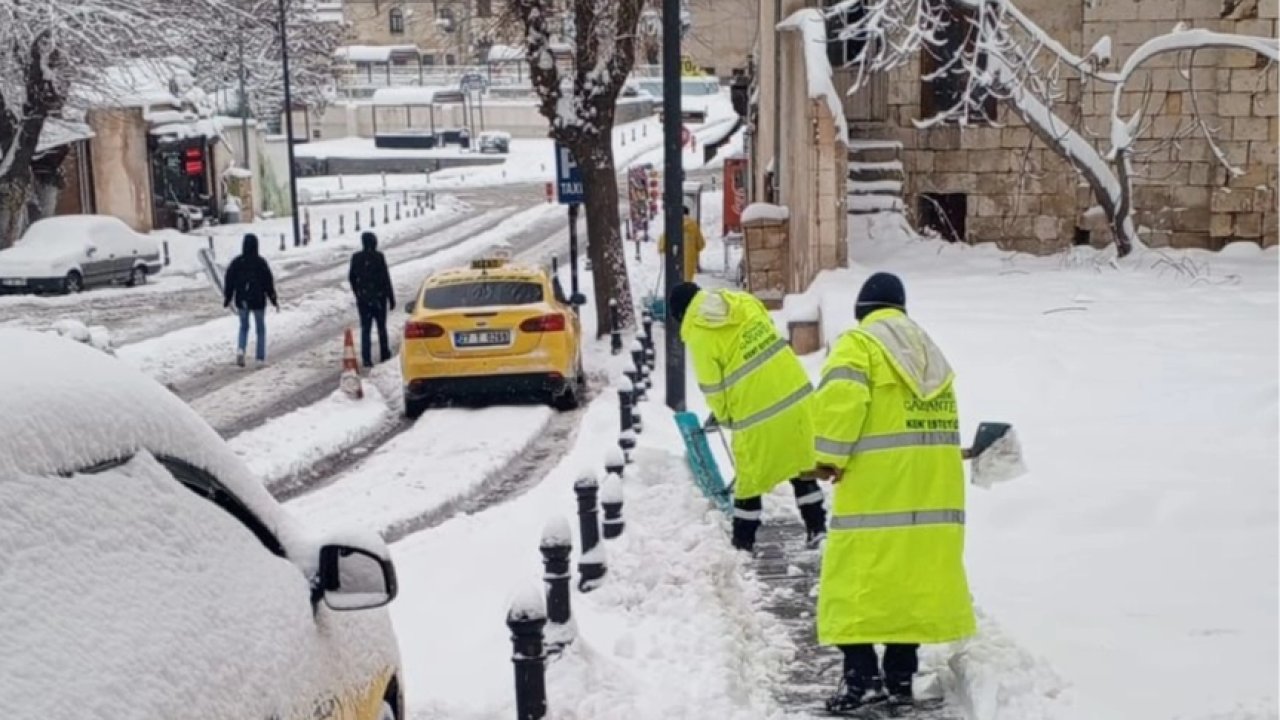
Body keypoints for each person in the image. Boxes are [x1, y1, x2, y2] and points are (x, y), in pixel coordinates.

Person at [810, 272, 976, 712]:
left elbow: (841, 403)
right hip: (932, 493)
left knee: (853, 584)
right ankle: (900, 675)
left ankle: (862, 679)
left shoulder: (859, 345)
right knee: (910, 582)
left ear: (862, 311)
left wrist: (828, 458)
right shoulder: (928, 350)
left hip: (877, 492)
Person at [668, 281, 827, 551]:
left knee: (749, 479)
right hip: (796, 394)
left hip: (756, 411)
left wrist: (726, 416)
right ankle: (817, 529)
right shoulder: (740, 302)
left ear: (682, 314)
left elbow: (713, 386)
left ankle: (743, 543)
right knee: (802, 467)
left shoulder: (699, 333)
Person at [222, 233, 278, 367]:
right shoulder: (261, 263)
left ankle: (241, 350)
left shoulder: (237, 263)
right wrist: (273, 298)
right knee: (260, 329)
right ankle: (260, 358)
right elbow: (268, 282)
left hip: (242, 299)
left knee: (244, 327)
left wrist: (228, 297)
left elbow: (229, 280)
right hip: (258, 300)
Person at [348, 231, 396, 368]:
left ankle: (366, 358)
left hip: (364, 299)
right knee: (381, 327)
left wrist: (358, 292)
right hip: (379, 298)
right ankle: (384, 353)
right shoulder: (378, 257)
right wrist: (390, 297)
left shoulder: (356, 258)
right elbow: (386, 279)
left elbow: (351, 277)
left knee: (366, 329)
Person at [658, 207, 707, 282]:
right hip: (689, 261)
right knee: (686, 282)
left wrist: (662, 249)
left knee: (674, 281)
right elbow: (701, 244)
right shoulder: (693, 225)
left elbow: (663, 241)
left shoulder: (673, 224)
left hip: (674, 259)